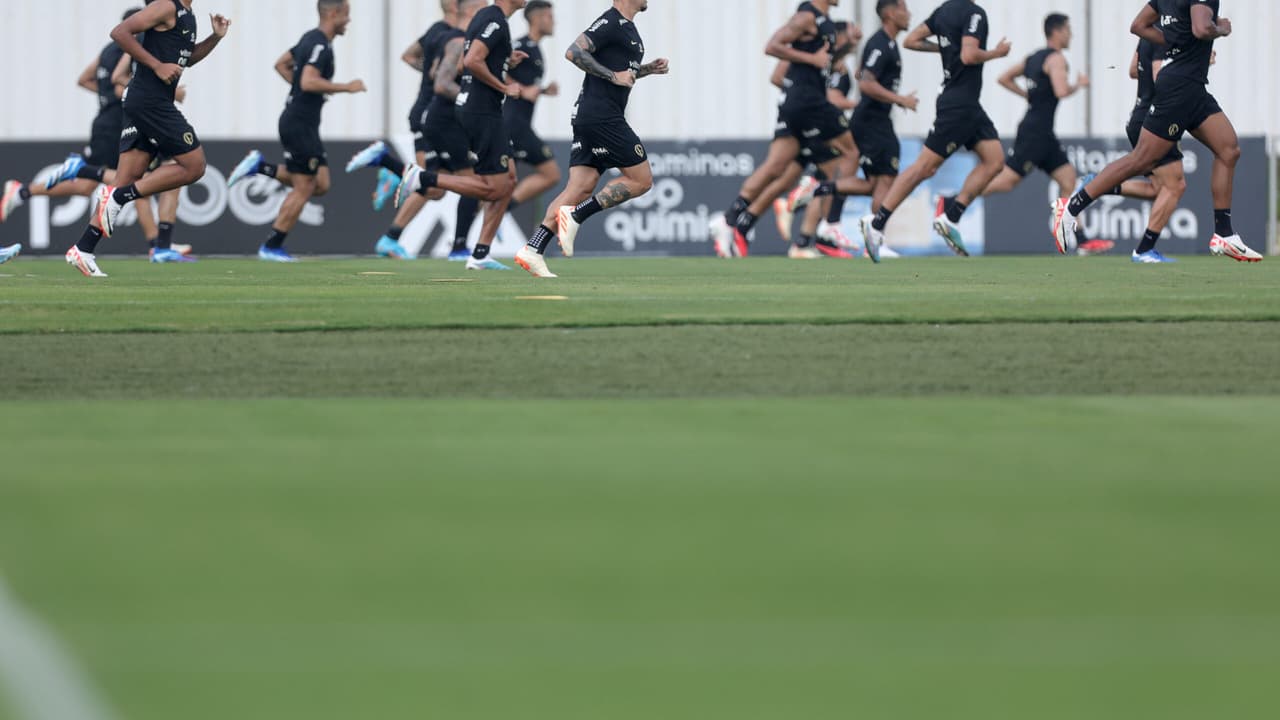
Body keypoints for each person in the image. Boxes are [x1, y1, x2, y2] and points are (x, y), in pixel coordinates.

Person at [1052, 0, 1261, 262]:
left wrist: (1174, 41)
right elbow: (1201, 28)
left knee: (1229, 149)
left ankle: (1224, 233)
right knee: (1142, 160)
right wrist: (1220, 28)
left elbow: (1138, 26)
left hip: (1193, 88)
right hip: (1180, 88)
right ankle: (1071, 208)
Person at [65, 0, 231, 278]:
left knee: (123, 179)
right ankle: (120, 197)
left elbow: (185, 58)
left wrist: (215, 37)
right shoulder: (167, 5)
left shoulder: (188, 15)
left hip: (145, 101)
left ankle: (83, 249)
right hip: (150, 102)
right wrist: (155, 66)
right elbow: (119, 32)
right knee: (194, 166)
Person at [511, 0, 667, 278]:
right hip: (602, 117)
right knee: (641, 180)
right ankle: (577, 215)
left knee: (579, 188)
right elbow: (573, 52)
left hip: (588, 115)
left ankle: (532, 250)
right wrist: (611, 75)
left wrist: (646, 70)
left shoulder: (628, 28)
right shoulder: (610, 21)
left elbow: (622, 74)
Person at [709, 0, 875, 260]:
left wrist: (845, 49)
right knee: (851, 154)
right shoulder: (806, 17)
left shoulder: (825, 22)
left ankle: (730, 220)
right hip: (810, 104)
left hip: (799, 105)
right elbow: (772, 46)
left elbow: (820, 61)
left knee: (779, 168)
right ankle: (827, 226)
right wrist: (814, 60)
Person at [861, 0, 1011, 258]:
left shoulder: (942, 12)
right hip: (959, 105)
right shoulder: (975, 13)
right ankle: (876, 224)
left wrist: (945, 49)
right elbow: (969, 55)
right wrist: (996, 53)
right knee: (924, 167)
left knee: (995, 160)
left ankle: (951, 215)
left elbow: (911, 40)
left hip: (967, 105)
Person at [395, 0, 532, 271]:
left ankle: (480, 252)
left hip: (478, 109)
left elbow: (460, 66)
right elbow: (471, 60)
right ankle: (422, 177)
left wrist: (504, 61)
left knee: (510, 179)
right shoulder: (494, 19)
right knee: (494, 187)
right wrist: (504, 87)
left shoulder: (485, 18)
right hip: (482, 112)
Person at [344, 0, 483, 261]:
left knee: (436, 188)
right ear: (460, 7)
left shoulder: (434, 31)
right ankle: (390, 167)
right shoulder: (453, 37)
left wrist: (437, 72)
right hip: (433, 114)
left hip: (428, 111)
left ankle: (391, 233)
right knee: (443, 183)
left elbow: (410, 57)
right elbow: (437, 74)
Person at [226, 0, 365, 262]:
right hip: (299, 123)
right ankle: (272, 246)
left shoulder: (309, 39)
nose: (348, 21)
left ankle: (260, 167)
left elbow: (281, 64)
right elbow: (308, 81)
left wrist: (301, 90)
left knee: (321, 184)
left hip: (302, 122)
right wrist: (346, 87)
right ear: (333, 13)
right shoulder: (320, 44)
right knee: (305, 186)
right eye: (346, 15)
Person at [505, 1, 562, 214]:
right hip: (513, 125)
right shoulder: (521, 45)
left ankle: (498, 209)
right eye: (549, 16)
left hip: (520, 124)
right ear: (536, 19)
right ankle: (499, 209)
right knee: (551, 174)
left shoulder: (535, 49)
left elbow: (528, 88)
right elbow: (495, 67)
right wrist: (518, 87)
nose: (553, 21)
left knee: (500, 184)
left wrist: (543, 91)